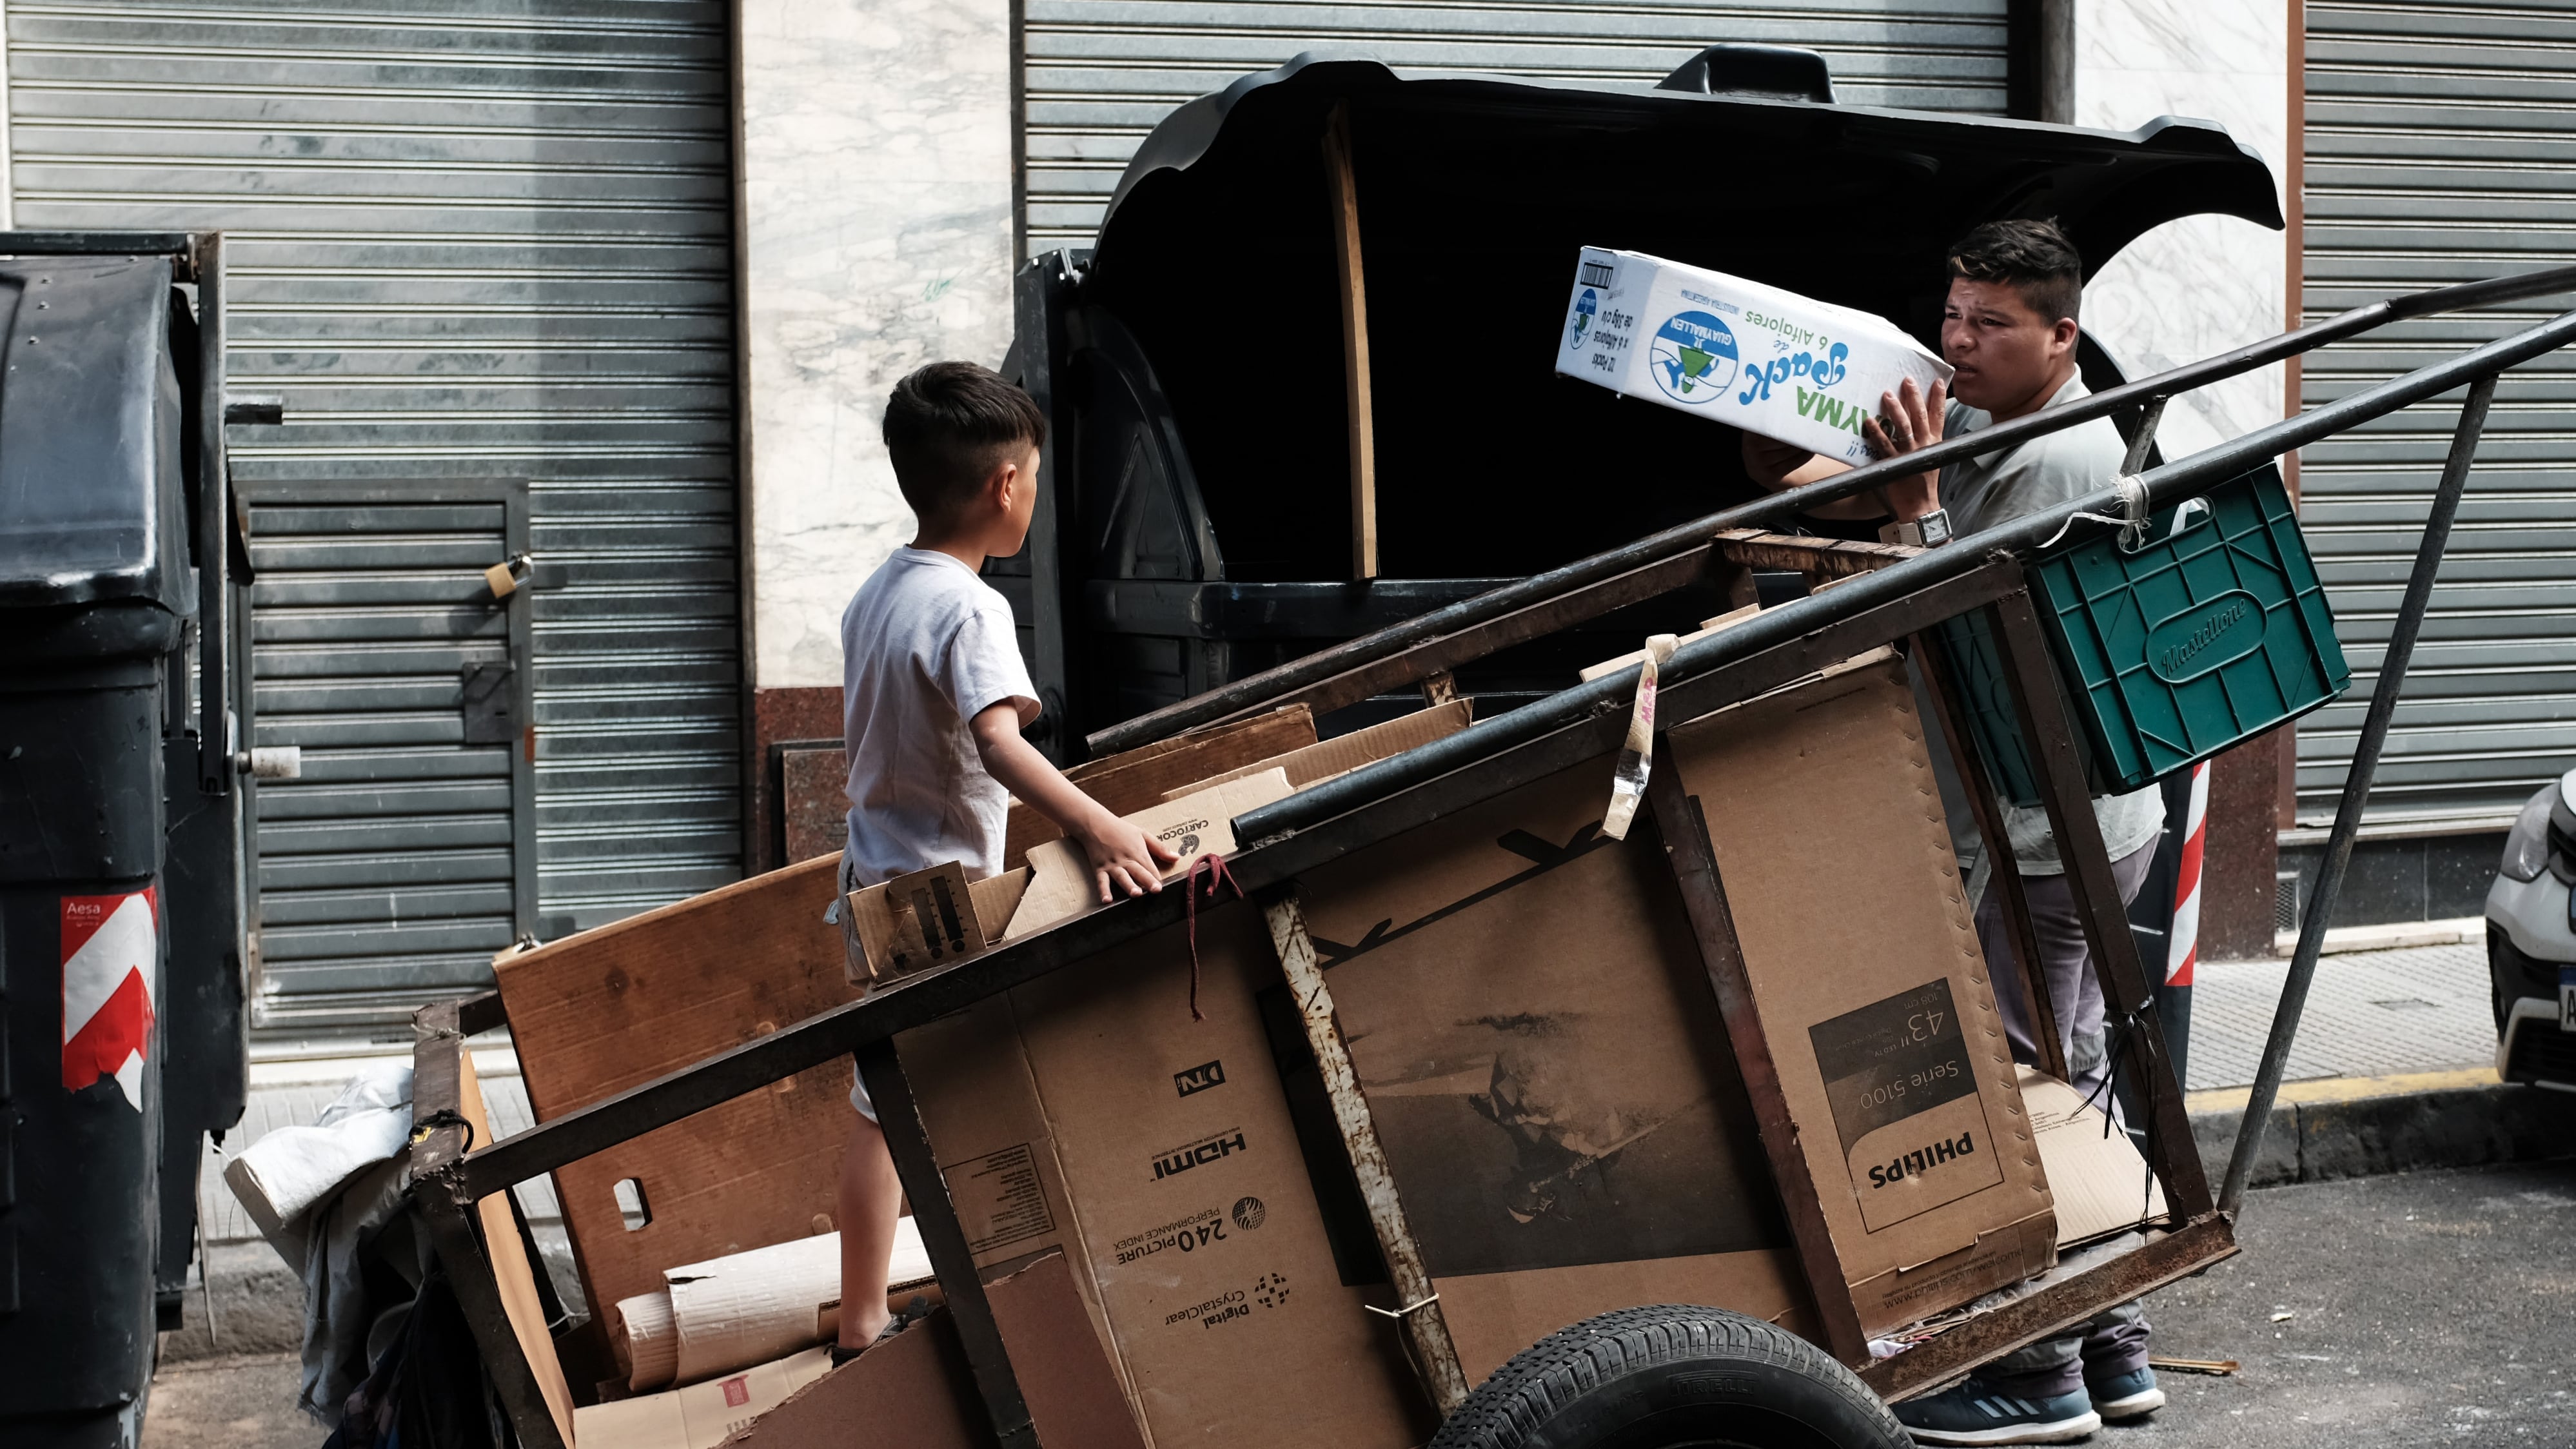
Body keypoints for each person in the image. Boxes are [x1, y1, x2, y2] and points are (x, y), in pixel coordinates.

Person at [1743, 219, 2168, 1445]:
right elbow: (1847, 493)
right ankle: (2113, 1343)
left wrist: (1920, 504)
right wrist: (1797, 425)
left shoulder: (2059, 459)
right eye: (1953, 315)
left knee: (2018, 1084)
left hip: (2044, 828)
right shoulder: (1995, 421)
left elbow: (1971, 634)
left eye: (1992, 323)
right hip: (2060, 816)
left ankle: (2032, 1374)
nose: (1960, 342)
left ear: (2062, 336)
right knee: (2070, 1067)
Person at [831, 360, 1176, 1360]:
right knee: (931, 1105)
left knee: (880, 1113)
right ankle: (986, 1307)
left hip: (873, 881)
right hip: (940, 904)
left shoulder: (877, 592)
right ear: (1007, 488)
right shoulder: (971, 609)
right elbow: (998, 744)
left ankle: (863, 1321)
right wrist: (1102, 828)